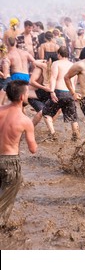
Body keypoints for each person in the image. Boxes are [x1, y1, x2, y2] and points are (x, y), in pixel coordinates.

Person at [0, 80, 37, 226]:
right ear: (22, 97)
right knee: (5, 199)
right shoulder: (25, 120)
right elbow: (33, 149)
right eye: (27, 93)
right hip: (10, 161)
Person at [42, 46, 80, 141]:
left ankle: (52, 134)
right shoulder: (73, 65)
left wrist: (52, 91)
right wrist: (73, 93)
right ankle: (76, 137)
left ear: (59, 54)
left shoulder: (56, 63)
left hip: (59, 92)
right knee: (73, 118)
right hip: (70, 93)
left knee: (46, 113)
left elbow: (53, 77)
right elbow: (74, 81)